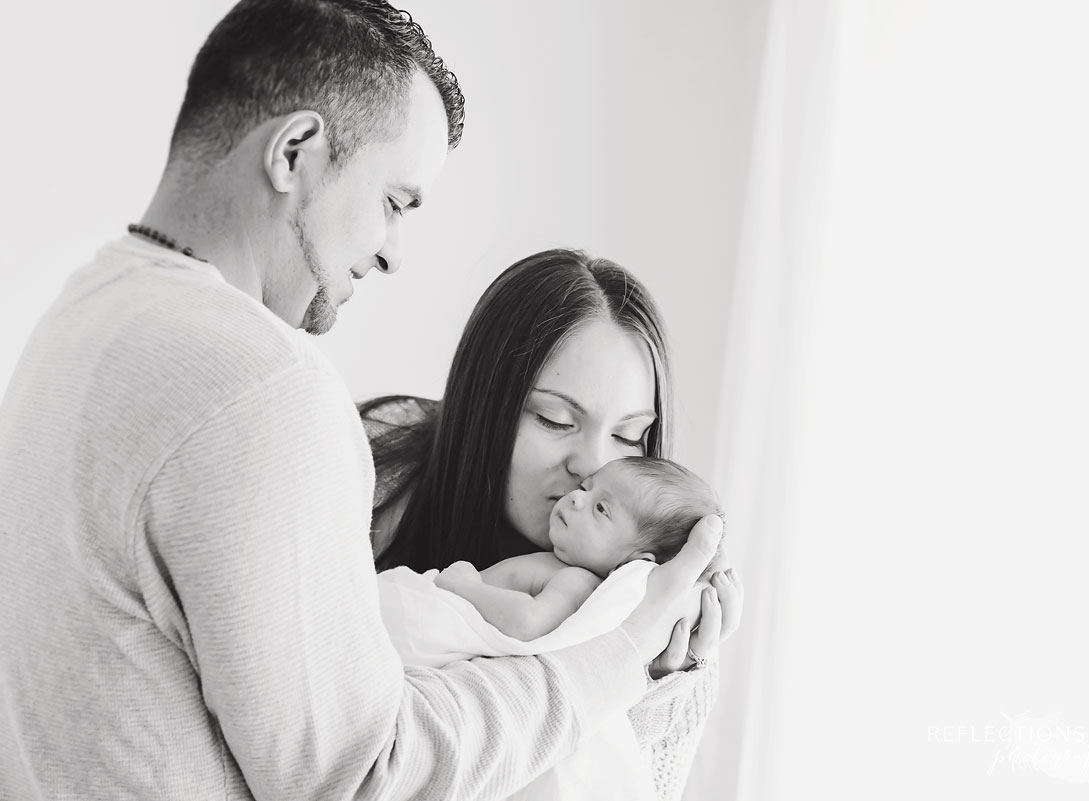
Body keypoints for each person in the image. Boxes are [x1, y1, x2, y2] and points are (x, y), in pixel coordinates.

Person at [0, 3, 722, 800]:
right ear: (295, 152)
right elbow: (358, 776)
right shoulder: (263, 389)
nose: (392, 251)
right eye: (395, 201)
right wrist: (615, 659)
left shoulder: (78, 318)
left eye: (630, 434)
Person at [360, 249, 744, 800]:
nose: (592, 466)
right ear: (486, 404)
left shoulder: (644, 596)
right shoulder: (373, 471)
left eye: (629, 436)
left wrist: (655, 675)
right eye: (555, 420)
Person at [433, 456, 724, 642]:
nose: (574, 497)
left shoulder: (578, 582)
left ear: (632, 564)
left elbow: (528, 622)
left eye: (600, 508)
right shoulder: (560, 566)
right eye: (586, 488)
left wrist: (463, 587)